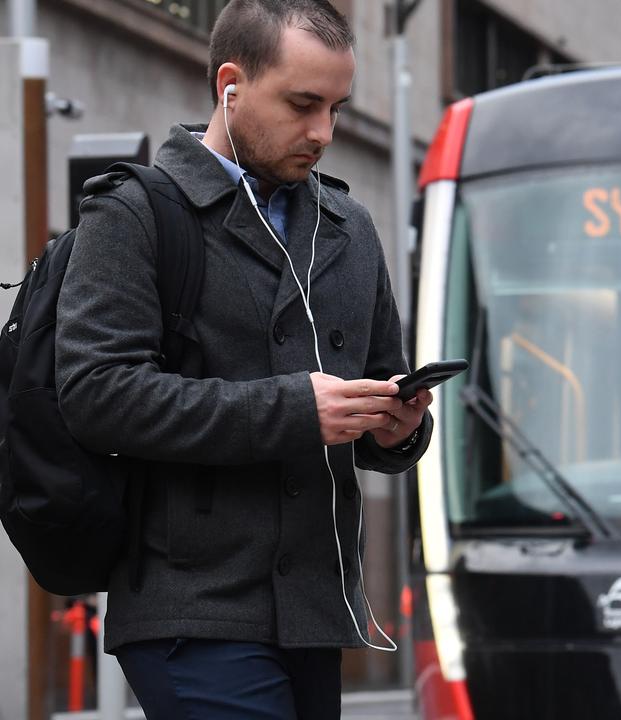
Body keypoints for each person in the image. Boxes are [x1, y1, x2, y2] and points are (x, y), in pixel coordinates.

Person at [54, 1, 431, 716]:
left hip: (316, 612)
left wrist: (397, 427)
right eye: (302, 104)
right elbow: (97, 393)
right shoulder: (136, 213)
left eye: (337, 108)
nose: (323, 132)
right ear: (231, 84)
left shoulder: (351, 226)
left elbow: (380, 395)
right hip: (189, 606)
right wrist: (294, 409)